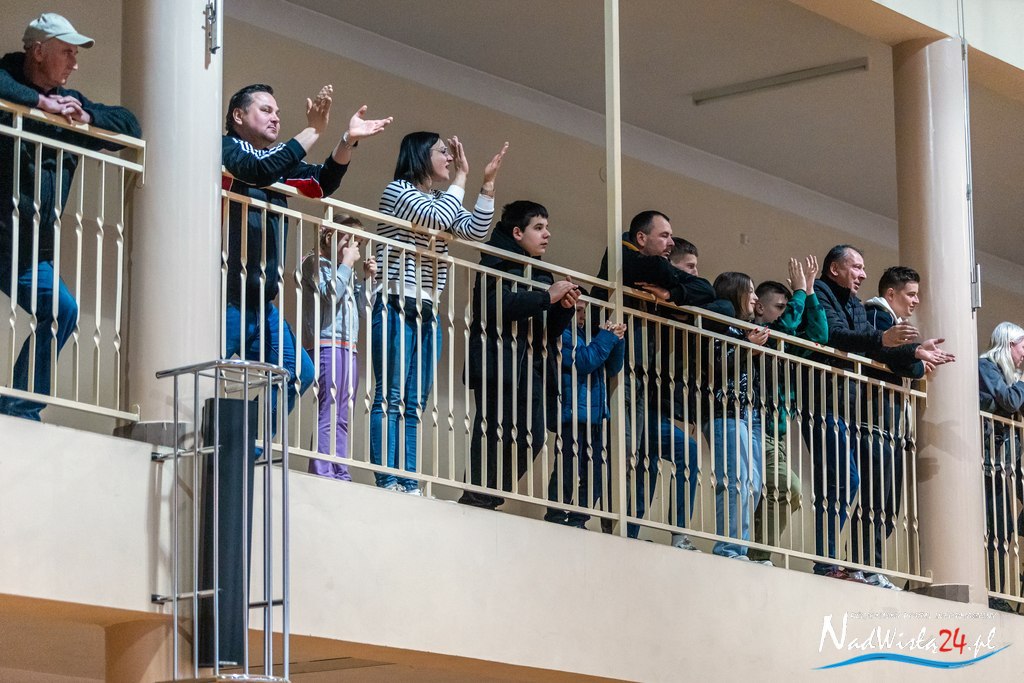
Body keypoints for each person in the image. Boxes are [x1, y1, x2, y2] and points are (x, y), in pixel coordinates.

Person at [222, 83, 391, 429]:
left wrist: (346, 140)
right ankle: (200, 442)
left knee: (298, 372)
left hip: (261, 301)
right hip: (225, 296)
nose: (275, 117)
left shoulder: (275, 162)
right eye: (266, 110)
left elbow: (322, 183)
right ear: (238, 115)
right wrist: (313, 130)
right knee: (200, 368)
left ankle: (250, 443)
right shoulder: (227, 148)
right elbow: (256, 169)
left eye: (278, 113)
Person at [0, 13, 141, 420]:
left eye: (76, 55)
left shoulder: (70, 103)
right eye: (67, 52)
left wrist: (87, 118)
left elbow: (130, 124)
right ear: (37, 51)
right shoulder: (8, 80)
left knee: (63, 310)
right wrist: (40, 104)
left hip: (29, 248)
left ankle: (18, 409)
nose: (74, 63)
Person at [804, 245, 952, 583]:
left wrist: (913, 351)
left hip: (848, 403)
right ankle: (828, 563)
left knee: (858, 487)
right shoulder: (825, 292)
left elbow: (874, 347)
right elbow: (835, 335)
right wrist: (897, 347)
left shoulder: (856, 304)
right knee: (846, 483)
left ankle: (841, 564)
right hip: (828, 398)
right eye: (856, 267)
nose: (863, 274)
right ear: (835, 268)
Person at [373, 133, 508, 493]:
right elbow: (437, 217)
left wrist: (487, 185)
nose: (449, 158)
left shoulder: (440, 199)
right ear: (420, 155)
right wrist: (462, 177)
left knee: (416, 400)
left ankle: (408, 479)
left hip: (427, 307)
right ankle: (387, 478)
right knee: (391, 396)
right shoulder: (398, 191)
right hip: (395, 301)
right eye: (442, 152)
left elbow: (475, 231)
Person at [594, 211, 714, 539]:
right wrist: (670, 277)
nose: (671, 242)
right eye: (664, 236)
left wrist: (672, 294)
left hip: (641, 379)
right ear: (641, 238)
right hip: (618, 372)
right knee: (622, 452)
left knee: (637, 455)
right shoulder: (624, 256)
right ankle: (611, 523)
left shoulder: (649, 264)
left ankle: (626, 529)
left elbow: (707, 291)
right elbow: (660, 270)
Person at [459, 200, 577, 509]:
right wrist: (546, 298)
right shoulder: (495, 261)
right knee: (492, 431)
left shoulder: (540, 273)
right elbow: (495, 306)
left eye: (546, 227)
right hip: (498, 362)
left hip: (532, 366)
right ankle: (476, 496)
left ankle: (489, 495)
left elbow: (549, 329)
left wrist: (563, 309)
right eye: (538, 228)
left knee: (534, 437)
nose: (547, 234)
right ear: (517, 232)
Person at [746, 256, 826, 563]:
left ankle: (757, 554)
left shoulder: (785, 340)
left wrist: (811, 293)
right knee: (787, 487)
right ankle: (758, 556)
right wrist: (800, 292)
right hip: (757, 427)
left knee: (783, 494)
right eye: (780, 306)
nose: (786, 311)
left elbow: (819, 335)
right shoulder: (758, 334)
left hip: (776, 435)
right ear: (759, 308)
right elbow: (787, 324)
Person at [702, 272, 771, 563]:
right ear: (735, 293)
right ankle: (729, 550)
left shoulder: (746, 329)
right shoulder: (719, 325)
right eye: (750, 291)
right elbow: (715, 366)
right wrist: (747, 347)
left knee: (753, 484)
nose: (755, 298)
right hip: (726, 410)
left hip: (750, 413)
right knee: (735, 481)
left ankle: (739, 547)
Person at [301, 217, 376, 480]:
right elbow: (330, 295)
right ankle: (323, 470)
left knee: (343, 414)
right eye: (350, 239)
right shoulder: (314, 262)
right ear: (331, 237)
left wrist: (367, 280)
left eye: (359, 243)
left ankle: (340, 469)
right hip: (326, 344)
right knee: (328, 409)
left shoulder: (346, 271)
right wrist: (346, 264)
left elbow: (364, 310)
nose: (354, 247)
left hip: (348, 346)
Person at [544, 290, 625, 527]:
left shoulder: (588, 335)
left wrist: (617, 339)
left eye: (583, 311)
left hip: (595, 414)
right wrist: (607, 338)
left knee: (597, 474)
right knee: (568, 469)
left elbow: (612, 368)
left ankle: (578, 519)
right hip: (572, 413)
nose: (581, 316)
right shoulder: (563, 333)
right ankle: (556, 516)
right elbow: (584, 362)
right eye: (577, 311)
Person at [977, 323, 1024, 612]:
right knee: (992, 528)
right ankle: (990, 593)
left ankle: (998, 592)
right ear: (1008, 344)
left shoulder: (1011, 377)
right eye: (1023, 346)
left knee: (1003, 530)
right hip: (986, 461)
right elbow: (1009, 400)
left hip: (1002, 465)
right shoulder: (986, 366)